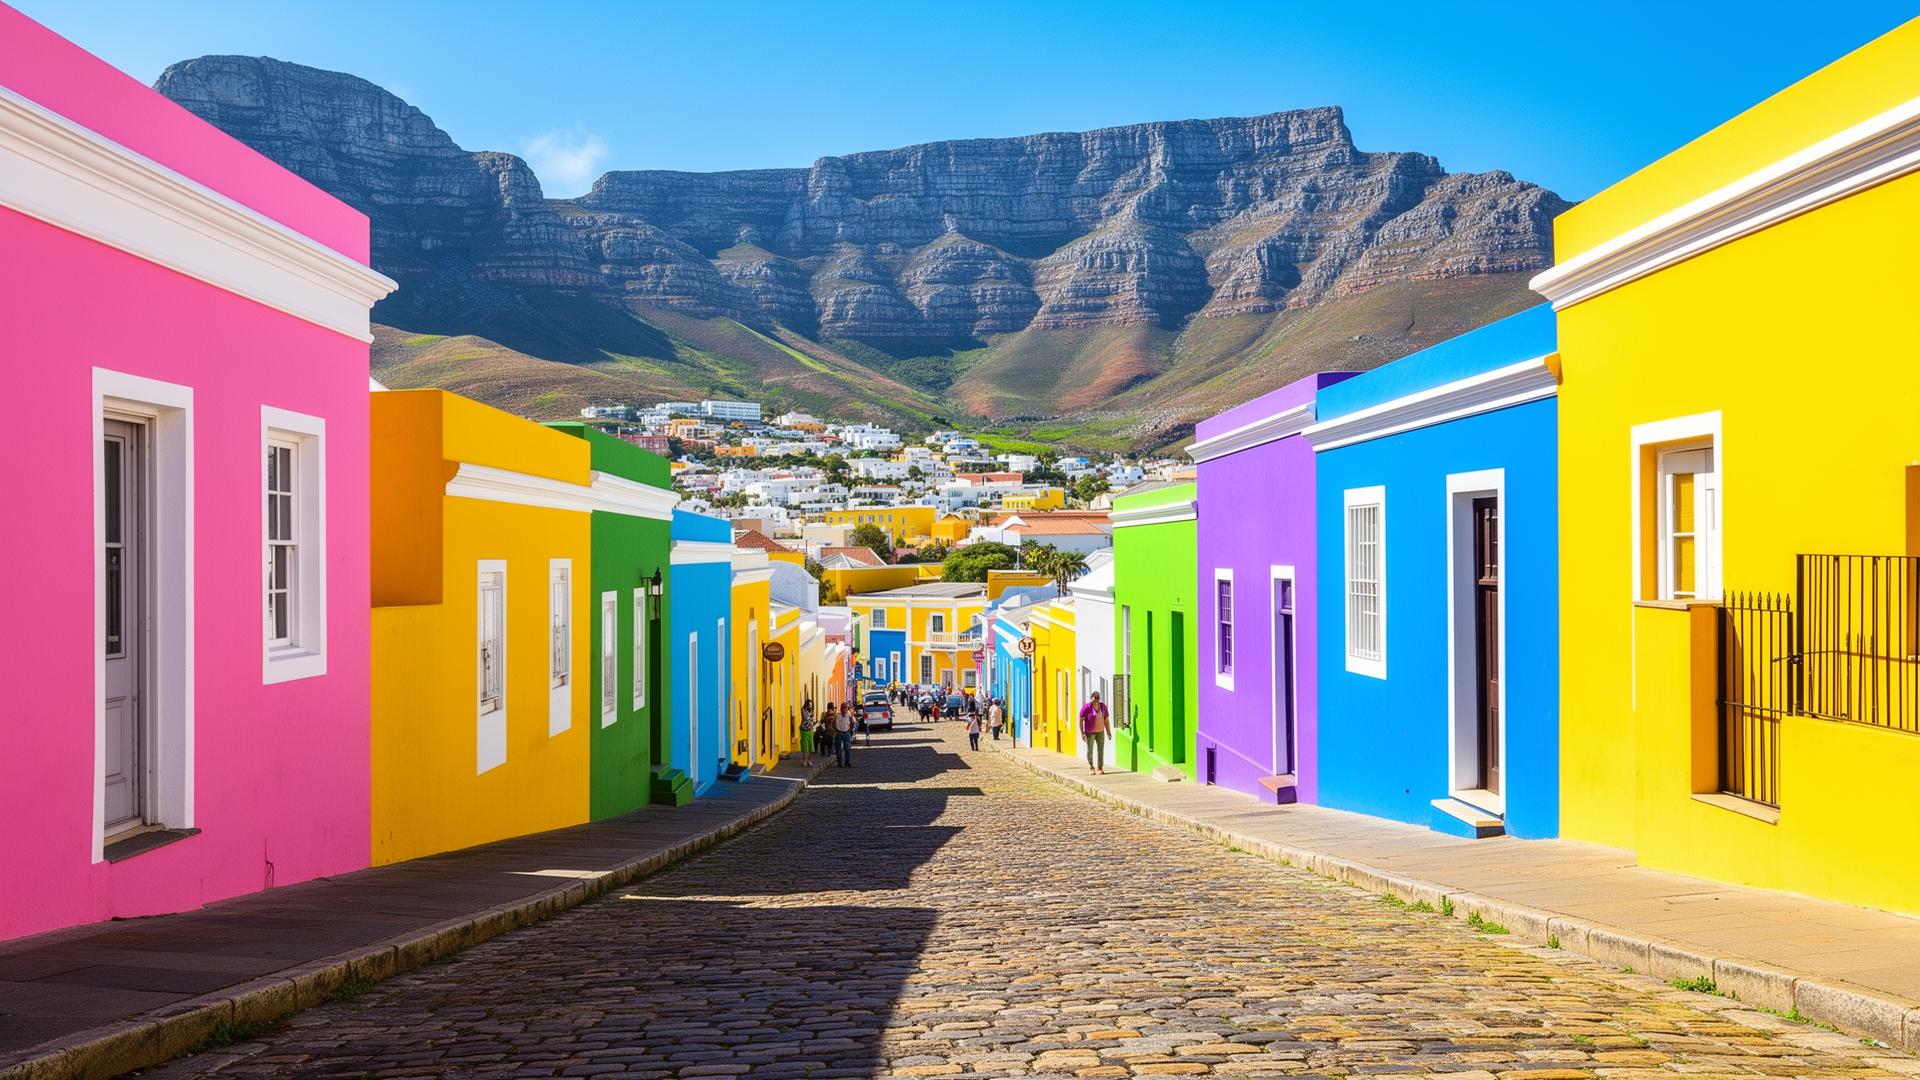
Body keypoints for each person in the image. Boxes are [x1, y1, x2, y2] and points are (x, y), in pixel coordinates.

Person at [1079, 690, 1112, 775]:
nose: (1095, 700)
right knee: (1090, 750)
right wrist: (1082, 733)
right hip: (1089, 732)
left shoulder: (1103, 707)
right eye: (1094, 698)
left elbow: (1106, 720)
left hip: (1100, 732)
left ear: (1099, 698)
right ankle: (1091, 767)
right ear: (1091, 698)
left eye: (1097, 698)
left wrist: (1108, 732)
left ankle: (1100, 767)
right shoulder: (1086, 707)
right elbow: (1081, 720)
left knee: (1100, 750)